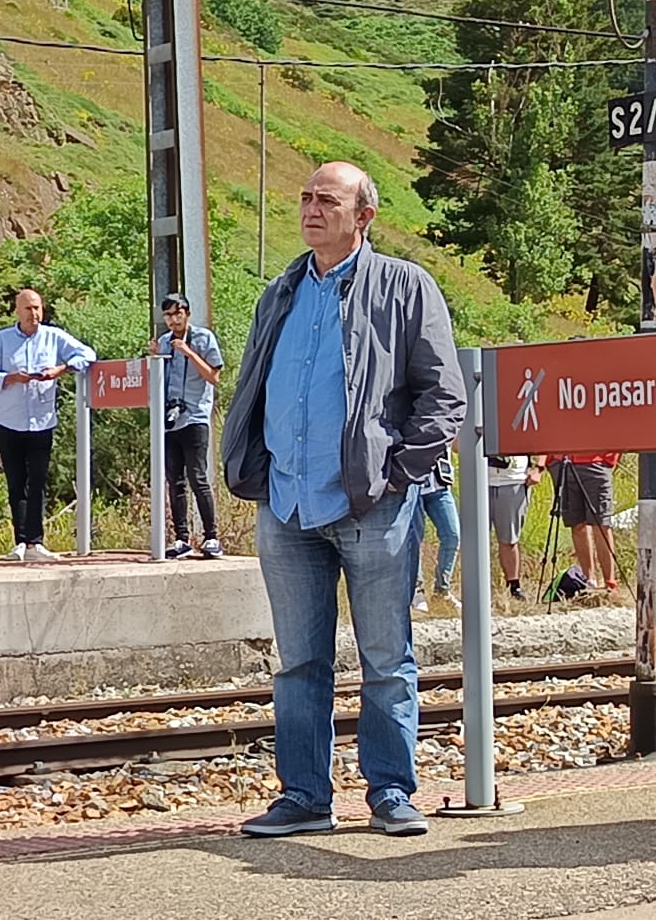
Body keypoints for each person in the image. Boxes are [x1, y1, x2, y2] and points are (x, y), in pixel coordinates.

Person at [223, 161, 464, 840]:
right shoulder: (281, 290)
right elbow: (255, 383)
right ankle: (304, 797)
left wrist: (398, 473)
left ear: (364, 216)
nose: (311, 209)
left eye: (327, 200)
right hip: (288, 507)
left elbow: (443, 394)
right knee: (299, 661)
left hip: (373, 506)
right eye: (306, 198)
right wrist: (256, 470)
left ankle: (390, 791)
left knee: (386, 658)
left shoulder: (405, 286)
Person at [0, 289, 96, 561]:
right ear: (17, 311)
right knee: (16, 483)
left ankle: (36, 542)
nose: (34, 314)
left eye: (38, 308)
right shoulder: (2, 339)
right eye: (29, 308)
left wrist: (61, 369)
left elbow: (88, 355)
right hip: (9, 421)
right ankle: (20, 542)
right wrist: (10, 378)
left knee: (39, 482)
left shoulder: (53, 337)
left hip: (42, 421)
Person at [153, 291, 225, 560]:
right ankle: (182, 538)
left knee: (198, 476)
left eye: (177, 313)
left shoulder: (204, 338)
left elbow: (213, 376)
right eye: (168, 315)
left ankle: (212, 537)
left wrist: (188, 352)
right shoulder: (163, 342)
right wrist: (154, 357)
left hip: (195, 417)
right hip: (170, 420)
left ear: (187, 313)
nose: (173, 320)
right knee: (175, 481)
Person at [552, 450, 618, 593]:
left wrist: (608, 459)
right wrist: (551, 461)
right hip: (563, 464)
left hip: (595, 463)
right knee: (577, 525)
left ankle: (610, 584)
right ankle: (588, 581)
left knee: (601, 525)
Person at [488, 450, 544, 600]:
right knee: (475, 541)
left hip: (514, 480)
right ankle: (479, 587)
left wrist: (538, 468)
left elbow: (540, 438)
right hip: (479, 480)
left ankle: (513, 587)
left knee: (509, 539)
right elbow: (457, 443)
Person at [411, 455, 461, 612]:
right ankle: (416, 591)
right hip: (413, 486)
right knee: (414, 539)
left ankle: (442, 590)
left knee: (452, 536)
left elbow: (458, 443)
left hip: (439, 484)